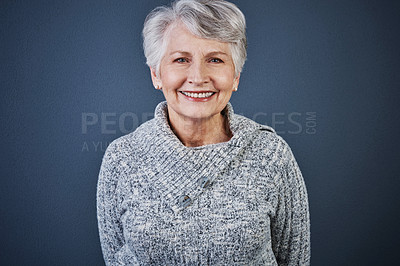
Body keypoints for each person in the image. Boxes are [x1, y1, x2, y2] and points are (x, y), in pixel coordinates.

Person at [97, 0, 311, 265]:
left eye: (215, 59)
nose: (198, 77)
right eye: (181, 59)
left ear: (236, 77)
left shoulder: (271, 155)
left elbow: (294, 259)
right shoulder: (122, 158)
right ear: (156, 74)